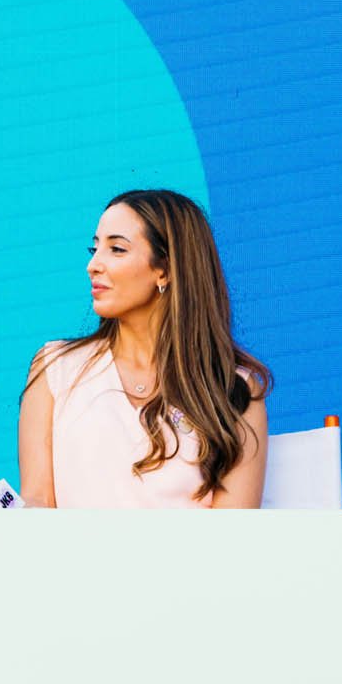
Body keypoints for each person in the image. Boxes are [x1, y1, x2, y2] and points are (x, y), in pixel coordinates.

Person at [18, 188, 270, 509]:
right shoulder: (55, 368)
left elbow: (233, 537)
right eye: (94, 249)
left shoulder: (233, 388)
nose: (93, 265)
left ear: (164, 268)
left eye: (117, 249)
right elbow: (37, 501)